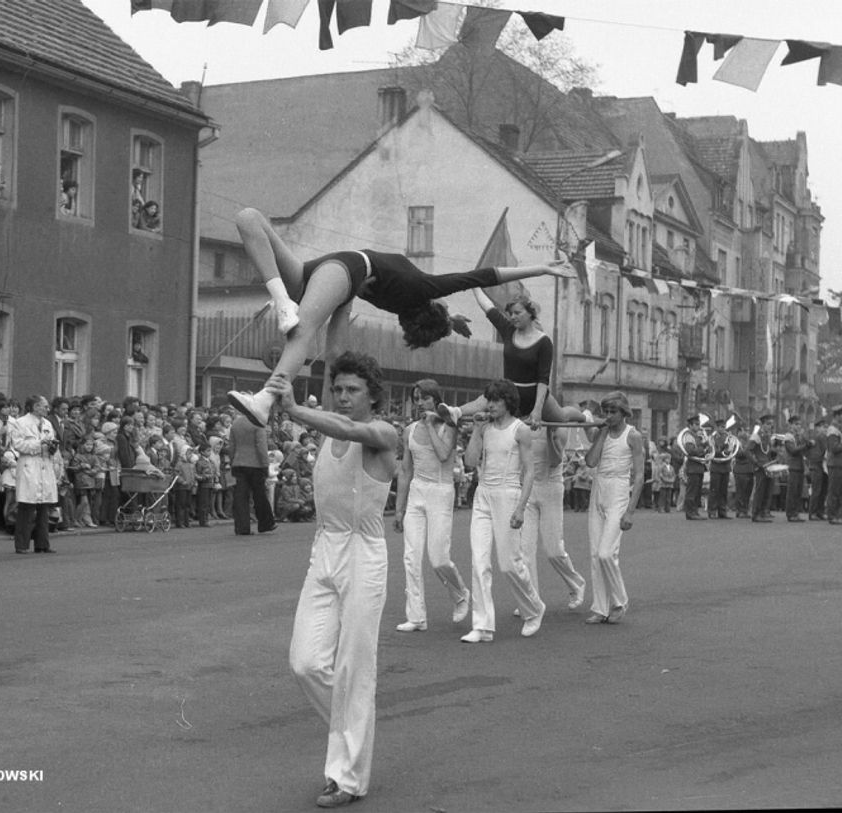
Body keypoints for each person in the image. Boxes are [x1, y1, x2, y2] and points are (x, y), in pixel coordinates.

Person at [227, 206, 573, 428]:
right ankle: (277, 329)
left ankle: (280, 402)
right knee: (306, 334)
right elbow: (484, 275)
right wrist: (541, 269)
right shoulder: (413, 294)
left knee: (249, 218)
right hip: (331, 275)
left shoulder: (415, 295)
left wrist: (451, 318)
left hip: (331, 272)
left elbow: (479, 278)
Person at [264, 351, 398, 809]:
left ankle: (348, 777)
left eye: (352, 390)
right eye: (337, 389)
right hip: (324, 549)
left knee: (353, 668)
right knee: (305, 662)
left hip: (364, 552)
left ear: (373, 396)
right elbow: (333, 412)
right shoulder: (329, 426)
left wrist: (295, 408)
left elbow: (351, 430)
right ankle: (352, 731)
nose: (342, 397)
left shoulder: (383, 433)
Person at [461, 379, 546, 643]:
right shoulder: (485, 428)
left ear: (507, 402)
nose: (491, 405)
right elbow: (470, 461)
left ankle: (534, 608)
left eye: (496, 401)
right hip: (483, 496)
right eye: (489, 401)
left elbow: (530, 471)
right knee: (479, 560)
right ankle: (483, 625)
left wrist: (521, 507)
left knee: (509, 564)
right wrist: (476, 430)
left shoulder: (520, 430)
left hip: (508, 495)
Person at [437, 292, 591, 429]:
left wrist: (537, 409)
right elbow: (488, 308)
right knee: (484, 400)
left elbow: (543, 379)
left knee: (562, 417)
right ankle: (455, 411)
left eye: (517, 313)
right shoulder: (508, 330)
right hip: (509, 391)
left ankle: (585, 416)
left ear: (530, 314)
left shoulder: (544, 342)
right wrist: (474, 285)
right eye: (510, 313)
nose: (512, 317)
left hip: (534, 394)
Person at [391, 379, 470, 633]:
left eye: (424, 398)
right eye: (416, 398)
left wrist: (430, 423)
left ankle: (460, 594)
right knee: (411, 557)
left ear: (436, 400)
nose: (419, 403)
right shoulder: (409, 430)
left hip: (441, 490)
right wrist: (399, 508)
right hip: (417, 492)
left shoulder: (449, 425)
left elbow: (444, 454)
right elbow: (405, 470)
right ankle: (416, 617)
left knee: (438, 558)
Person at [582, 391, 644, 625]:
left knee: (607, 552)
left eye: (613, 412)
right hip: (598, 488)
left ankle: (619, 601)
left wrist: (630, 510)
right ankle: (599, 607)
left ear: (624, 412)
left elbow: (639, 476)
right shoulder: (602, 432)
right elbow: (590, 462)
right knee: (595, 553)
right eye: (606, 411)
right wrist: (602, 433)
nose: (609, 415)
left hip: (619, 490)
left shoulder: (633, 435)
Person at [521, 424, 587, 611]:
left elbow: (556, 460)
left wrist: (549, 433)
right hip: (527, 488)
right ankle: (531, 600)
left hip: (550, 487)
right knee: (525, 551)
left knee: (554, 550)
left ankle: (576, 584)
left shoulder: (558, 427)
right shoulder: (520, 425)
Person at [8, 395, 60, 553]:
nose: (47, 409)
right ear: (35, 406)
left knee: (44, 506)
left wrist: (52, 447)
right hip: (29, 464)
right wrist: (40, 444)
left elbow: (52, 442)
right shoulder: (21, 423)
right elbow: (18, 445)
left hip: (45, 463)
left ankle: (42, 543)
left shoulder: (48, 424)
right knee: (27, 506)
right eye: (44, 406)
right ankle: (22, 544)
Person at [229, 414, 276, 535]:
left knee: (240, 497)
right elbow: (261, 446)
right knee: (259, 495)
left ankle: (242, 527)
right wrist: (265, 464)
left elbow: (232, 446)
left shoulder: (236, 423)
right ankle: (265, 523)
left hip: (239, 462)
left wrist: (232, 461)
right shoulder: (258, 424)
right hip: (255, 464)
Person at [824, 404, 842, 525]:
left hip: (840, 463)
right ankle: (832, 515)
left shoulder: (838, 429)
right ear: (837, 416)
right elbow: (834, 448)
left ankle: (837, 515)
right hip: (835, 463)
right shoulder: (832, 430)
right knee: (834, 491)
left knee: (839, 491)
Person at [747, 415, 777, 523]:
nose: (770, 426)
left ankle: (763, 512)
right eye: (768, 424)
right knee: (760, 490)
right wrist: (756, 462)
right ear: (762, 424)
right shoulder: (756, 436)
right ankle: (756, 514)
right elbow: (747, 450)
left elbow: (767, 452)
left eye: (771, 424)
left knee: (767, 490)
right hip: (760, 467)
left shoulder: (767, 437)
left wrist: (774, 454)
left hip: (768, 466)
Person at [679, 415, 710, 520]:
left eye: (699, 424)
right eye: (696, 424)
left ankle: (695, 511)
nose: (698, 426)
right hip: (693, 467)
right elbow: (691, 451)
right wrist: (703, 448)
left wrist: (706, 445)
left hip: (699, 467)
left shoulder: (697, 436)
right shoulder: (689, 436)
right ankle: (690, 512)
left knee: (697, 492)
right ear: (690, 425)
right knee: (691, 491)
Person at [783, 415, 808, 522]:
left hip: (800, 466)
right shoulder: (788, 436)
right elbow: (792, 451)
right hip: (793, 466)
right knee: (792, 491)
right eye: (796, 424)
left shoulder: (798, 436)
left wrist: (805, 440)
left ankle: (796, 512)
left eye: (799, 424)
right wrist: (805, 445)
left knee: (798, 491)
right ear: (791, 425)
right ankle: (790, 513)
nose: (798, 426)